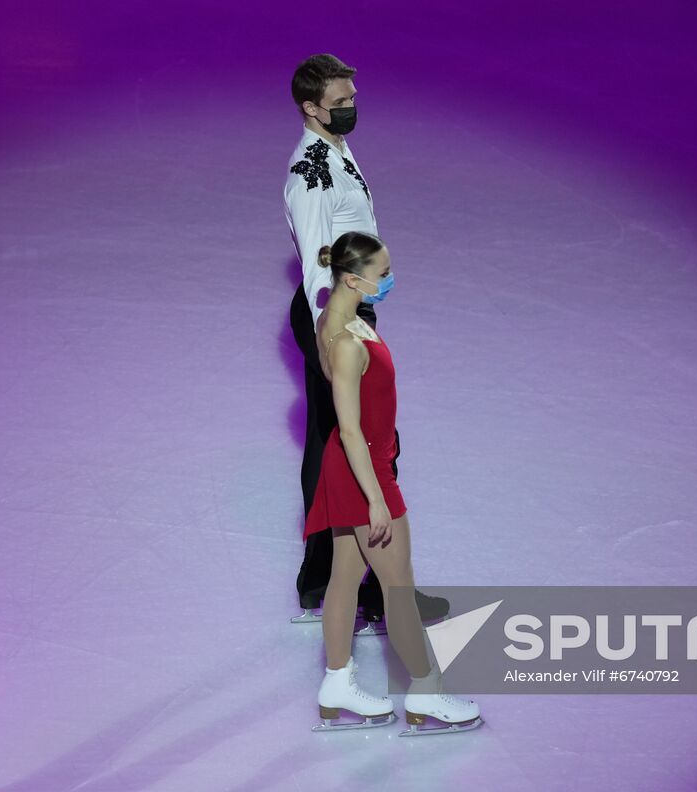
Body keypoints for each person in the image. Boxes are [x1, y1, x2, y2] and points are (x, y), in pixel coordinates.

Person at [283, 53, 448, 632]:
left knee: (340, 445)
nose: (352, 108)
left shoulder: (335, 150)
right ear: (311, 107)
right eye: (341, 102)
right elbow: (311, 260)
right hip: (334, 314)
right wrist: (334, 334)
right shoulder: (310, 172)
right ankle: (374, 593)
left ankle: (332, 584)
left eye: (354, 97)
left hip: (350, 308)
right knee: (365, 447)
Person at [305, 232, 482, 736]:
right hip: (366, 473)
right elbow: (351, 428)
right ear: (351, 276)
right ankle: (426, 694)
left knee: (344, 577)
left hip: (355, 469)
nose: (389, 281)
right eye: (382, 274)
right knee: (398, 589)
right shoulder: (344, 346)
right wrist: (376, 500)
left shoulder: (339, 318)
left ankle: (337, 683)